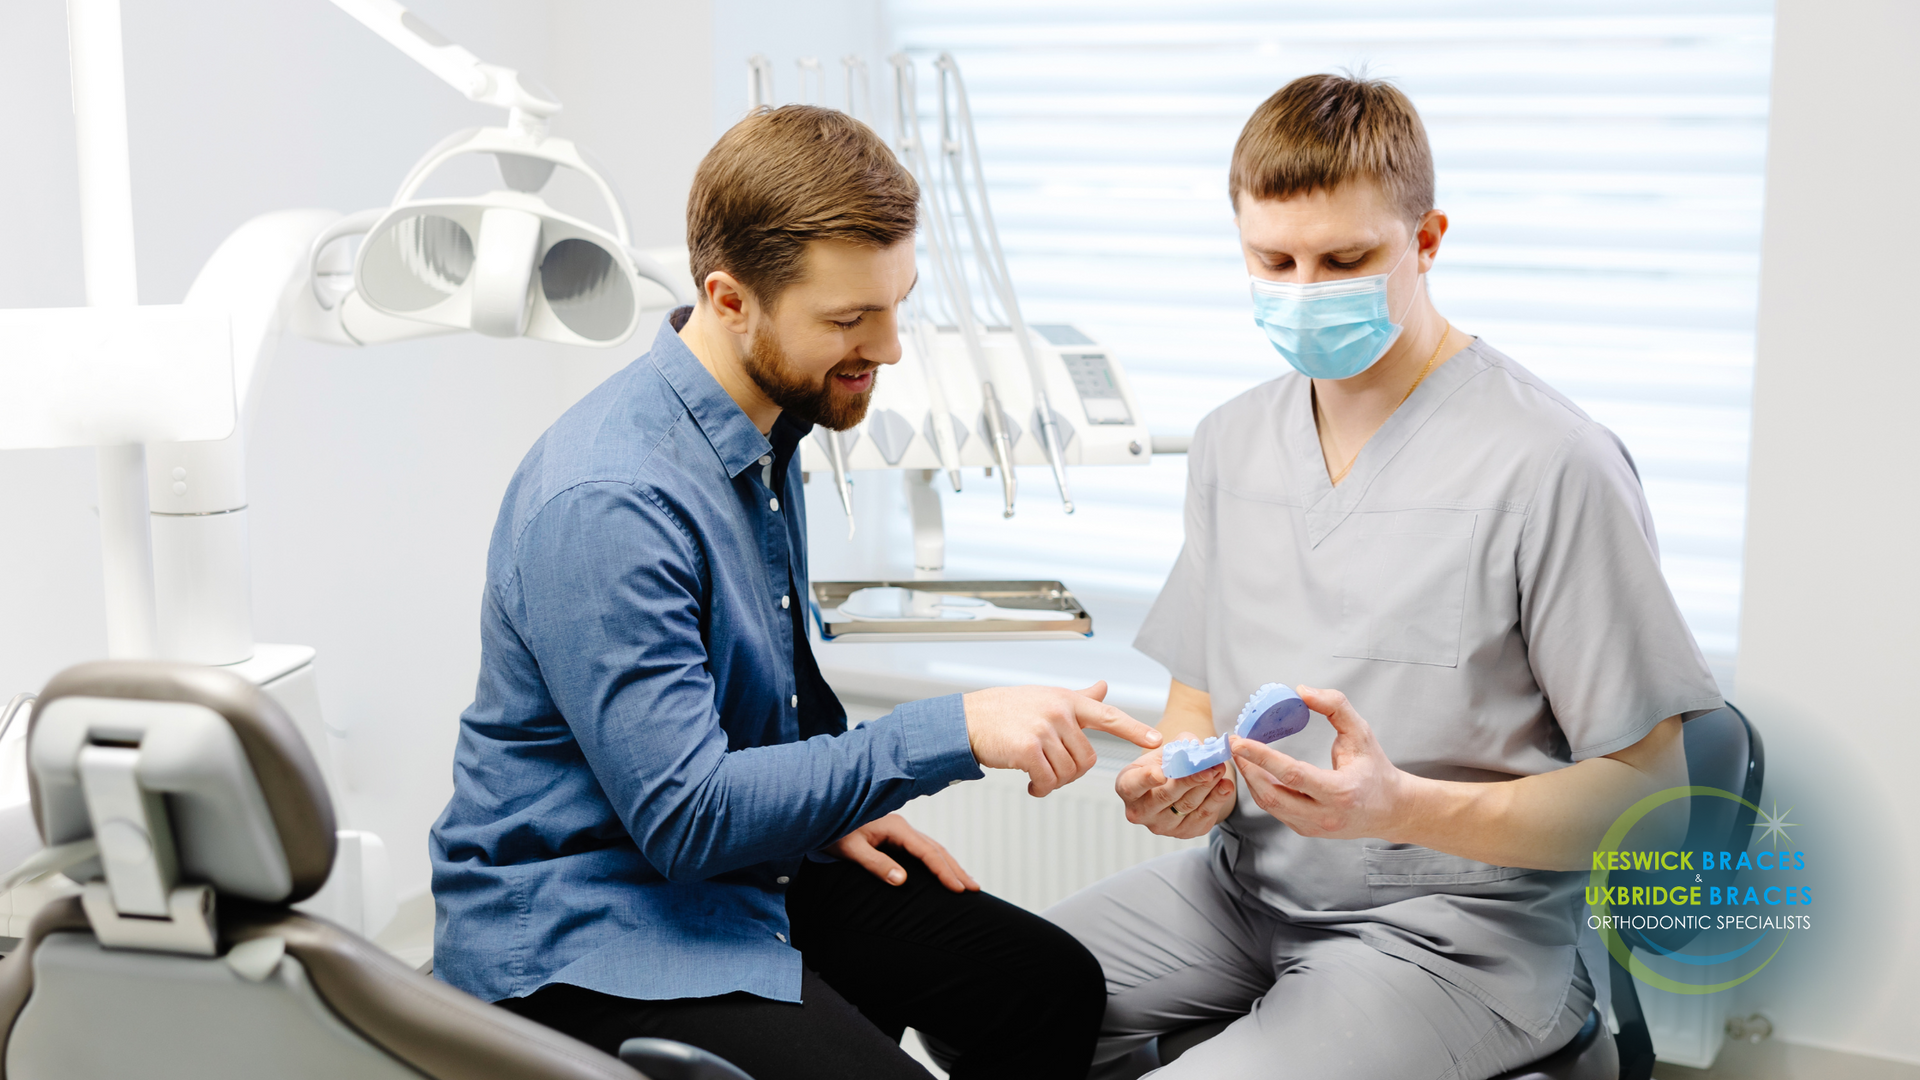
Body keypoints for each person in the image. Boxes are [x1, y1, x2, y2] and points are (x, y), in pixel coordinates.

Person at [429, 104, 1164, 1080]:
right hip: (591, 916)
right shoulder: (609, 500)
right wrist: (956, 727)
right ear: (729, 300)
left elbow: (747, 721)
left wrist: (824, 808)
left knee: (1046, 988)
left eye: (897, 304)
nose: (891, 348)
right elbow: (686, 816)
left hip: (733, 859)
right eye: (851, 321)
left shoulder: (770, 427)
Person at [1045, 74, 1724, 1079]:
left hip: (1457, 939)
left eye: (1346, 259)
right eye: (1272, 261)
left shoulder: (1550, 463)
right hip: (1242, 893)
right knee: (993, 994)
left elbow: (1655, 803)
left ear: (1429, 239)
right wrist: (1178, 772)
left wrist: (1400, 806)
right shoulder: (1233, 443)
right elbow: (1198, 698)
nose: (1305, 290)